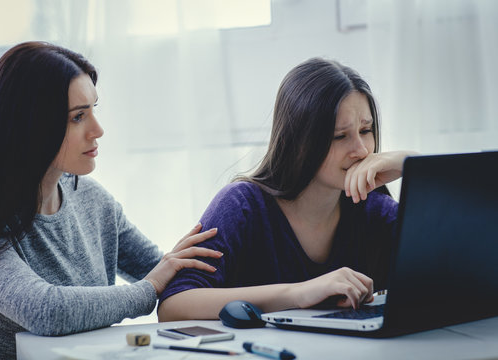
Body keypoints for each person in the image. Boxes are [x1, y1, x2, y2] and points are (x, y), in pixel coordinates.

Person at [0, 41, 221, 359]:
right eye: (77, 117)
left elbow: (168, 274)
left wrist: (284, 290)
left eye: (93, 110)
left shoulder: (93, 200)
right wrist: (149, 289)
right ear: (30, 126)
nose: (97, 130)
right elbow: (46, 311)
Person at [158, 57, 416, 321]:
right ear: (298, 142)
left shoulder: (372, 206)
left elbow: (454, 267)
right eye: (340, 136)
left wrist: (412, 165)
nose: (361, 150)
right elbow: (173, 305)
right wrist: (297, 294)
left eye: (366, 130)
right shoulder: (241, 205)